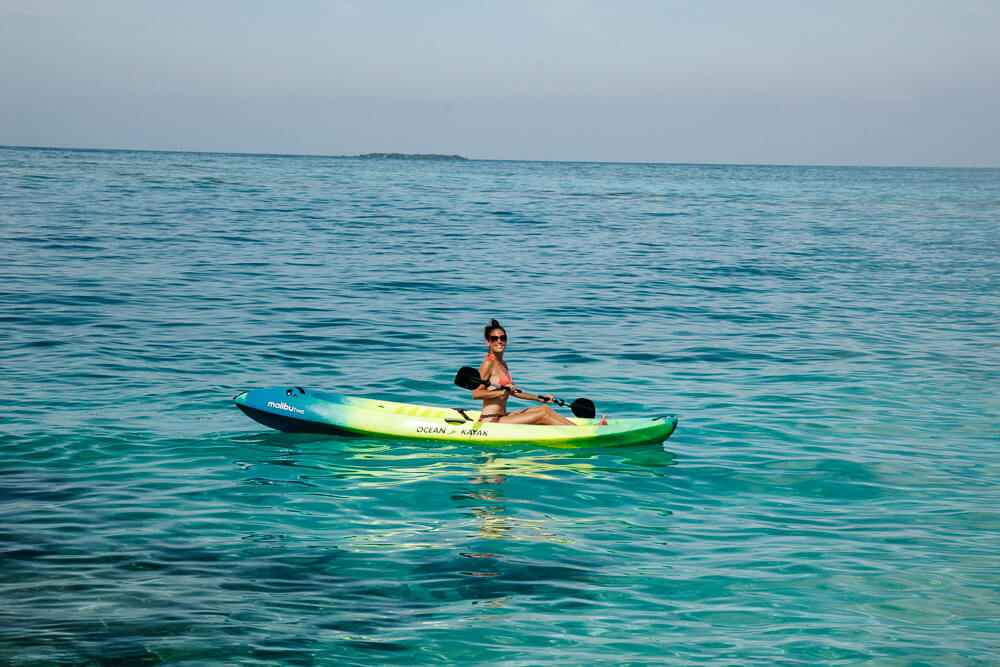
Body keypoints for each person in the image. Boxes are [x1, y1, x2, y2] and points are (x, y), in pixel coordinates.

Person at [472, 319, 607, 425]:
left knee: (544, 409)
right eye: (495, 339)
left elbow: (513, 392)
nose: (499, 341)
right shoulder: (488, 363)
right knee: (543, 415)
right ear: (488, 342)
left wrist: (540, 398)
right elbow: (476, 393)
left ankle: (577, 429)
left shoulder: (503, 363)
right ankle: (583, 433)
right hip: (491, 421)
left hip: (502, 416)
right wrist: (502, 391)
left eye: (503, 337)